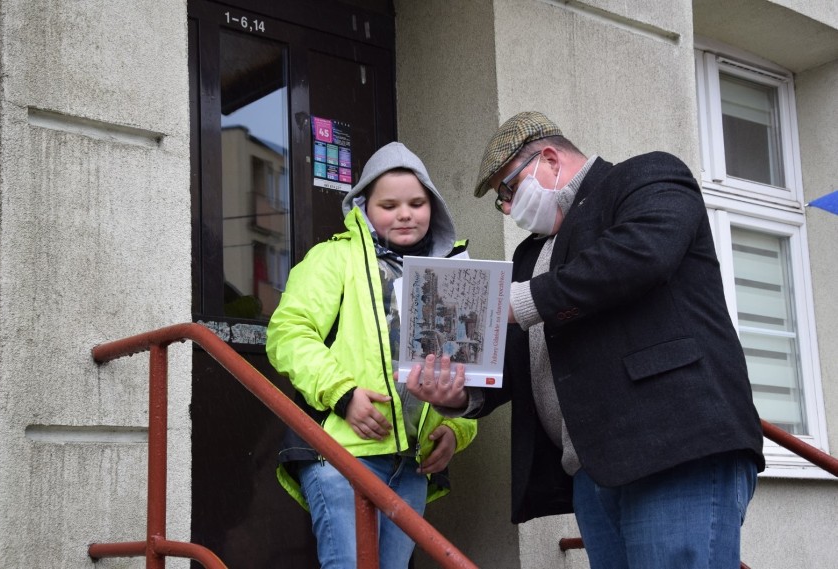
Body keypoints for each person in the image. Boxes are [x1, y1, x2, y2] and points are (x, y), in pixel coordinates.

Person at [405, 112, 765, 568]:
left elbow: (640, 256)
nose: (511, 208)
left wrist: (517, 303)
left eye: (509, 190)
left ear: (550, 159)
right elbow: (521, 359)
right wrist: (460, 393)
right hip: (594, 472)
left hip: (673, 447)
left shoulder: (647, 176)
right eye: (503, 200)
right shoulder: (530, 254)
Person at [266, 141, 477, 569]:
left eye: (417, 203)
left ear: (432, 207)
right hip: (341, 453)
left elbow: (474, 369)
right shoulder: (333, 258)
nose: (405, 213)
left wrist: (458, 433)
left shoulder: (456, 271)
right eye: (390, 204)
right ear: (363, 207)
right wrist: (343, 394)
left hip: (412, 464)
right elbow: (287, 334)